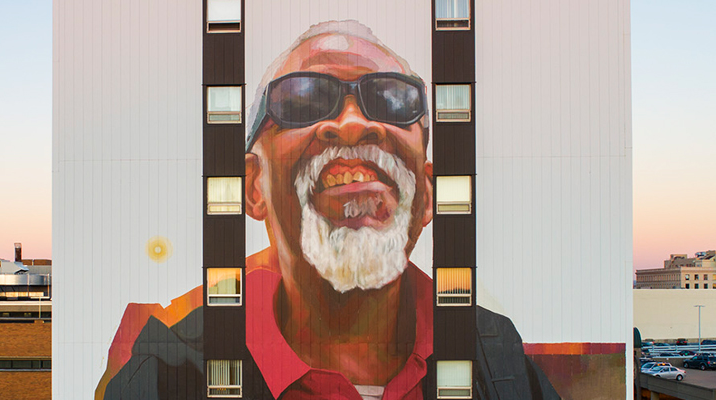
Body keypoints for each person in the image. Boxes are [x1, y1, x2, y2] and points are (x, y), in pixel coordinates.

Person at [98, 20, 559, 400]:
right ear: (254, 188)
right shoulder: (169, 375)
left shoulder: (497, 360)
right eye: (303, 99)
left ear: (426, 194)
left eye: (393, 100)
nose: (354, 123)